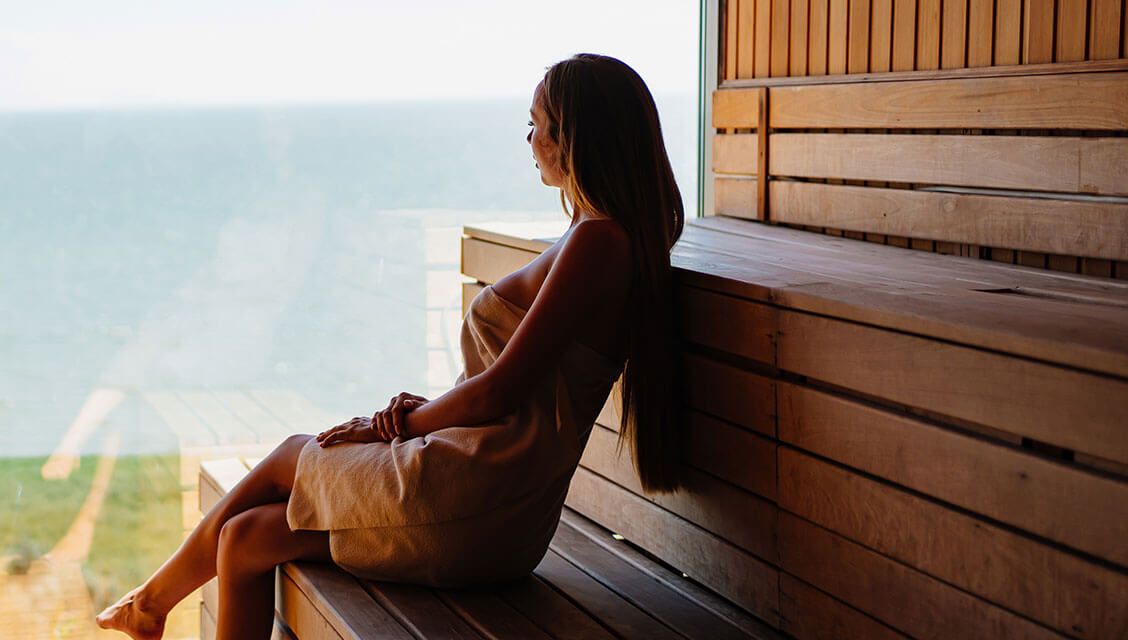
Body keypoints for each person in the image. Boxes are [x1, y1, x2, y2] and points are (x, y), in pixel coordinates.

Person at [97, 53, 687, 640]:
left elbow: (503, 390)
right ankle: (149, 605)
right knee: (243, 539)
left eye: (537, 124)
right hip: (482, 501)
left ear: (575, 137)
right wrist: (414, 422)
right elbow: (517, 385)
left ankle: (149, 601)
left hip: (481, 501)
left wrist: (397, 425)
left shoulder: (599, 243)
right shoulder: (595, 235)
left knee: (287, 457)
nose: (529, 139)